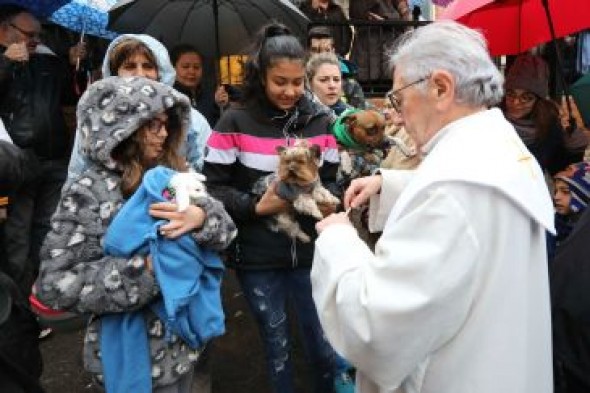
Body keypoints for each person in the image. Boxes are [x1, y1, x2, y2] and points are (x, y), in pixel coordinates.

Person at [310, 21, 555, 393]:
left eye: (399, 97)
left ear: (441, 88)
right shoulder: (498, 146)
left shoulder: (454, 189)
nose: (397, 115)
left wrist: (338, 240)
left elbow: (376, 328)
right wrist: (387, 185)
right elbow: (468, 214)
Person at [36, 75, 234, 393]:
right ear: (121, 128)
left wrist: (201, 218)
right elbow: (54, 284)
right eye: (152, 125)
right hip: (128, 357)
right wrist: (149, 270)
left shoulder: (173, 177)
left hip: (182, 346)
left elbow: (226, 232)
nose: (165, 133)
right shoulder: (87, 193)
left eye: (167, 124)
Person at [202, 23, 339, 393]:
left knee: (324, 347)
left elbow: (332, 180)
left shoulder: (321, 121)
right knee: (276, 350)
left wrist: (330, 209)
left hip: (312, 254)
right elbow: (212, 187)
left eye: (298, 82)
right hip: (258, 258)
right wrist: (254, 207)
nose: (290, 91)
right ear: (261, 75)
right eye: (280, 81)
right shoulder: (232, 121)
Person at [0, 5, 81, 295]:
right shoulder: (3, 60)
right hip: (18, 163)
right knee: (17, 236)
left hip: (54, 159)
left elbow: (72, 96)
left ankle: (44, 295)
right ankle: (20, 305)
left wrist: (75, 65)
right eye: (28, 34)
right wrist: (6, 63)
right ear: (5, 30)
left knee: (49, 231)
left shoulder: (47, 61)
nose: (36, 39)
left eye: (38, 34)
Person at [66, 34, 212, 189]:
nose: (140, 74)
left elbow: (202, 173)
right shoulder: (97, 119)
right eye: (130, 67)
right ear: (115, 74)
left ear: (160, 72)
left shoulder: (187, 118)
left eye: (148, 66)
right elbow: (78, 171)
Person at [502, 53, 569, 175]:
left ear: (538, 101)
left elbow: (559, 170)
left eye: (526, 97)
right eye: (511, 94)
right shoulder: (493, 120)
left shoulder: (550, 127)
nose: (516, 103)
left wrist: (574, 145)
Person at [307, 26, 369, 109]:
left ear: (333, 51)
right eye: (315, 50)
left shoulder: (349, 83)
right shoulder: (298, 79)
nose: (321, 55)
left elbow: (361, 113)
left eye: (326, 50)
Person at [348, 0, 410, 82]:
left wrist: (385, 19)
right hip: (367, 48)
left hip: (386, 46)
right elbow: (355, 14)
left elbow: (405, 20)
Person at [170, 44, 230, 127]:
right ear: (173, 68)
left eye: (196, 67)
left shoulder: (212, 95)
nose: (191, 71)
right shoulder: (170, 98)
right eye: (185, 67)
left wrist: (222, 107)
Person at [549, 162, 590, 260]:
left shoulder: (584, 237)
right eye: (556, 191)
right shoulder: (553, 225)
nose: (556, 197)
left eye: (565, 192)